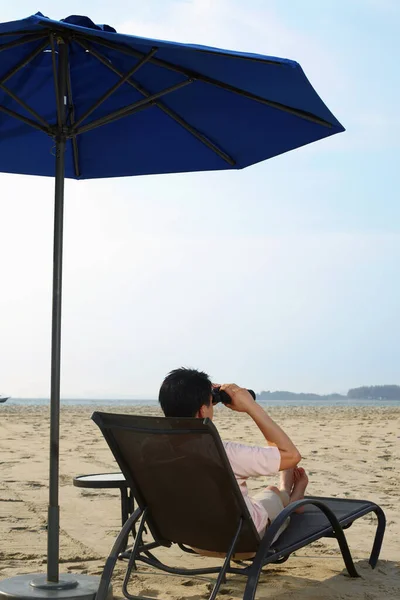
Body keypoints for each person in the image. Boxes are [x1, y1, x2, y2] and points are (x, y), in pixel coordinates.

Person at [159, 367, 309, 540]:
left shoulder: (152, 449)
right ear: (202, 411)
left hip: (192, 537)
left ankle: (287, 493)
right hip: (242, 539)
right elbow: (291, 456)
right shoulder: (223, 453)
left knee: (264, 496)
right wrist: (250, 406)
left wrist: (204, 399)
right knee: (273, 491)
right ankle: (290, 496)